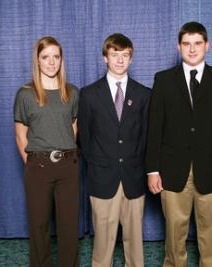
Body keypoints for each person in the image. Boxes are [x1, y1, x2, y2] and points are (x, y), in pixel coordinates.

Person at [145, 21, 212, 267]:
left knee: (210, 234)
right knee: (175, 233)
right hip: (173, 169)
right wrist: (152, 169)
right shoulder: (163, 80)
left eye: (198, 43)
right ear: (179, 47)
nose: (192, 49)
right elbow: (154, 128)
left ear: (207, 45)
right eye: (187, 44)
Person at [78, 33, 150, 267]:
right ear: (104, 58)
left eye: (125, 55)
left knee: (135, 242)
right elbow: (85, 139)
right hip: (102, 178)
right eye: (114, 54)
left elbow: (146, 136)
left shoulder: (144, 94)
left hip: (133, 177)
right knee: (103, 242)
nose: (120, 60)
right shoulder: (88, 94)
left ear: (131, 59)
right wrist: (99, 163)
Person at [13, 36, 80, 267]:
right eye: (45, 57)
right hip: (38, 166)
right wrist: (33, 162)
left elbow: (73, 129)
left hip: (68, 167)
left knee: (69, 226)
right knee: (39, 225)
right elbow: (21, 135)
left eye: (56, 57)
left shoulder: (72, 92)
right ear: (38, 60)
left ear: (61, 60)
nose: (51, 62)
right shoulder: (25, 94)